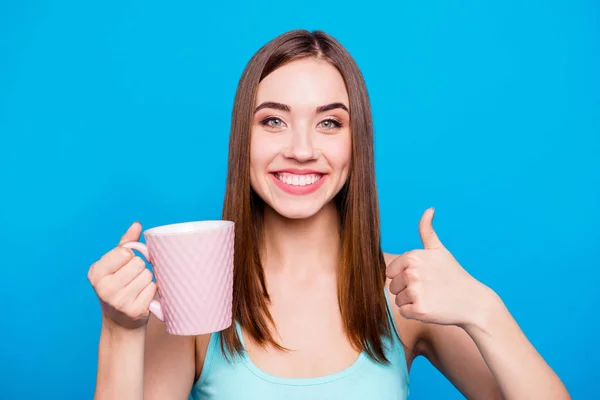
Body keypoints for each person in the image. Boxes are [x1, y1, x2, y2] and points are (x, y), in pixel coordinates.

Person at [88, 30, 570, 399]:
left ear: (355, 143)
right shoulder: (196, 302)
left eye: (328, 122)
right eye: (273, 120)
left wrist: (484, 310)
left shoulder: (406, 291)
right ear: (244, 141)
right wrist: (120, 330)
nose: (301, 149)